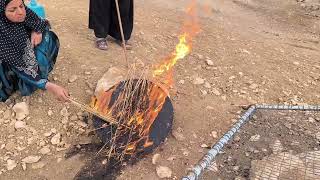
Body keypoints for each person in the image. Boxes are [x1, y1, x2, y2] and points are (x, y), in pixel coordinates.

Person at [0, 0, 69, 102]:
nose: (20, 12)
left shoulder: (25, 14)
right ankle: (26, 83)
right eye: (12, 10)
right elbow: (18, 66)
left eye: (21, 6)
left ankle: (39, 76)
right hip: (10, 66)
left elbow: (41, 22)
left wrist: (37, 30)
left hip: (24, 58)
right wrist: (49, 86)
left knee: (48, 37)